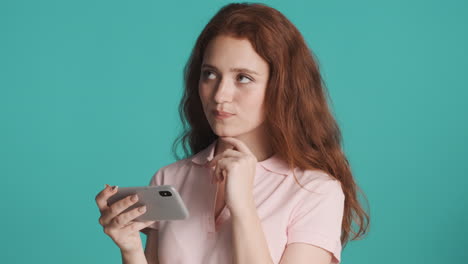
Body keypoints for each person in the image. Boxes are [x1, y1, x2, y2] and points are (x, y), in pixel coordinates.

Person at [95, 2, 370, 264]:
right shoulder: (170, 179)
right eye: (210, 74)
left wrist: (242, 205)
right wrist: (131, 249)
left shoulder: (315, 192)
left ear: (282, 88)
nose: (219, 95)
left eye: (243, 78)